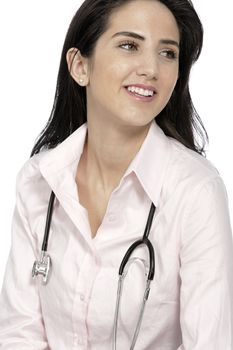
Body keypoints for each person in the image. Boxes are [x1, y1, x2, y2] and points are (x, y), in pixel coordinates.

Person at [0, 0, 232, 349]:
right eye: (129, 45)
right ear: (80, 66)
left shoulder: (195, 190)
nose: (151, 68)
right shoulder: (38, 181)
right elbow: (19, 333)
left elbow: (212, 342)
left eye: (168, 53)